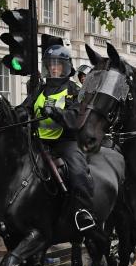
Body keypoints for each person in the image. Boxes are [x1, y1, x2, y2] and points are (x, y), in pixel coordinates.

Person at [18, 44, 96, 231]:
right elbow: (26, 107)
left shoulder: (75, 90)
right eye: (50, 64)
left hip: (65, 143)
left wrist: (57, 114)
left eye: (57, 64)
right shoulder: (40, 89)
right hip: (38, 142)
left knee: (78, 172)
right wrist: (21, 113)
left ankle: (84, 212)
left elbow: (77, 117)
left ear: (65, 66)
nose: (53, 68)